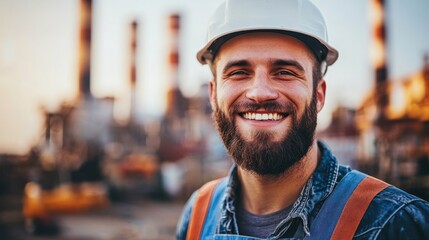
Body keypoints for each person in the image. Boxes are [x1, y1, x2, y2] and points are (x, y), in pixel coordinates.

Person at [176, 0, 429, 239]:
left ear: (318, 95)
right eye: (239, 72)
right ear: (213, 94)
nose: (260, 92)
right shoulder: (198, 214)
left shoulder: (393, 222)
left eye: (284, 72)